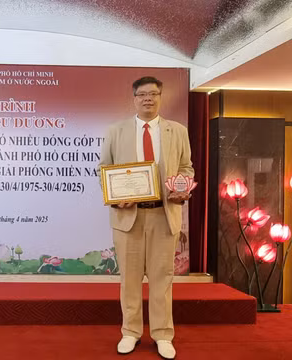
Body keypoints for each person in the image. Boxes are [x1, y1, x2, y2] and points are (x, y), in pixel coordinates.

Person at [98, 76, 194, 359]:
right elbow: (104, 171)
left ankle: (163, 334)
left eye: (153, 94)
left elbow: (187, 168)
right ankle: (130, 332)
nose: (148, 99)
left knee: (162, 279)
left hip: (164, 216)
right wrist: (116, 196)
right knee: (129, 279)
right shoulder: (116, 131)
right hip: (129, 217)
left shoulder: (177, 131)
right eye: (142, 95)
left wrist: (182, 191)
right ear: (134, 98)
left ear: (160, 97)